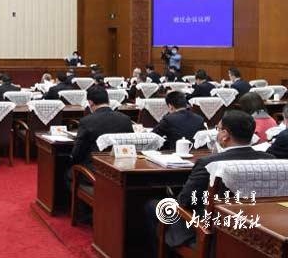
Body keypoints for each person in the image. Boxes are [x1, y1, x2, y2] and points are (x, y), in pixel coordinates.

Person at [160, 110, 274, 248]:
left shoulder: (209, 163)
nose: (217, 133)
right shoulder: (270, 160)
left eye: (218, 129)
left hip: (210, 232)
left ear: (225, 135)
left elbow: (184, 201)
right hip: (257, 228)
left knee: (154, 206)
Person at [70, 87, 133, 167]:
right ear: (108, 101)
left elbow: (77, 153)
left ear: (90, 102)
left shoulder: (86, 121)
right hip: (121, 166)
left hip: (94, 167)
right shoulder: (126, 119)